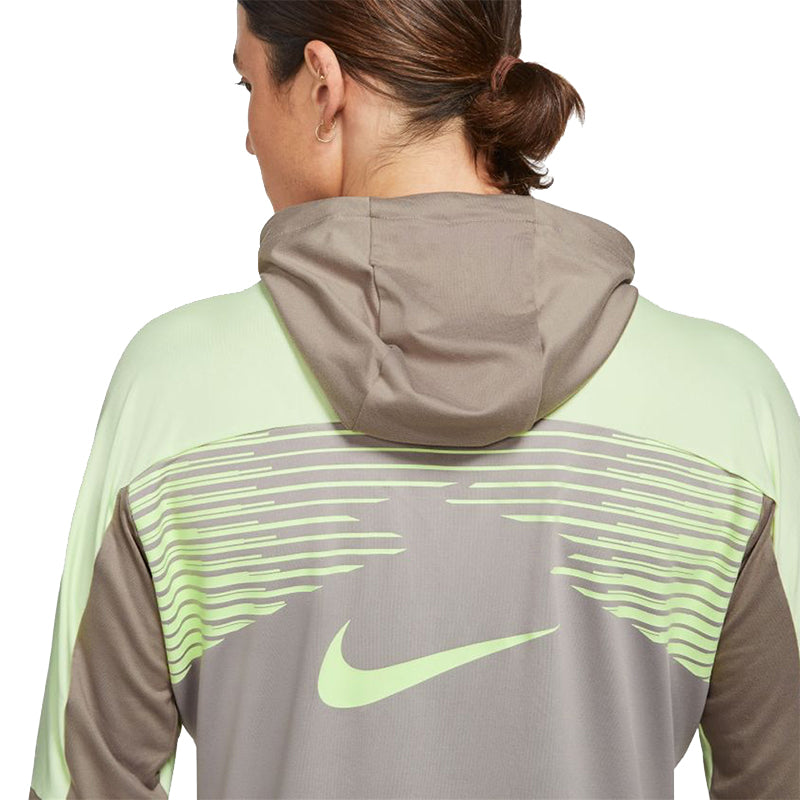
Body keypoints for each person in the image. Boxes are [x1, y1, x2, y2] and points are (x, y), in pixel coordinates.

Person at [28, 1, 800, 798]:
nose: (249, 135)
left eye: (247, 84)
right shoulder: (727, 404)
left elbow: (88, 782)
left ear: (322, 86)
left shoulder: (175, 393)